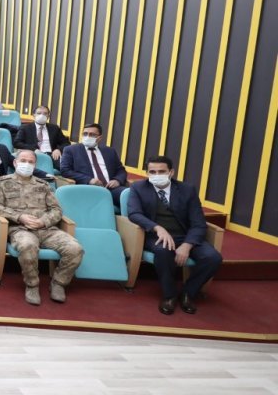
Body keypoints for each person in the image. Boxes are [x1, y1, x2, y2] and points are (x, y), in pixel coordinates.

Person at [127, 155, 222, 315]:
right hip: (156, 236)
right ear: (147, 173)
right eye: (152, 172)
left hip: (185, 235)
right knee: (163, 252)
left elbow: (199, 223)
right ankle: (169, 295)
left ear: (171, 172)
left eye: (161, 171)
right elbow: (134, 213)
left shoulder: (187, 190)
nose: (157, 175)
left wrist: (187, 245)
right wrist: (157, 228)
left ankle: (188, 293)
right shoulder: (138, 187)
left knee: (213, 258)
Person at [0, 150, 84, 306]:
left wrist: (43, 221)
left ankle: (59, 283)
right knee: (27, 246)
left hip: (47, 230)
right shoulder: (2, 182)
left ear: (35, 165)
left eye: (31, 162)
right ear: (15, 162)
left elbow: (56, 210)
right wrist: (20, 217)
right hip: (20, 229)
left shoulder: (43, 185)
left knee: (76, 249)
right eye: (23, 160)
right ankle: (32, 285)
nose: (26, 164)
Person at [59, 123, 128, 206]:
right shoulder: (71, 150)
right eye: (85, 134)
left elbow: (121, 170)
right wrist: (89, 180)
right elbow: (65, 170)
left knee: (130, 195)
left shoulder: (110, 151)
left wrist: (117, 180)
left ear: (99, 138)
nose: (87, 137)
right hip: (89, 188)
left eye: (92, 135)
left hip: (111, 188)